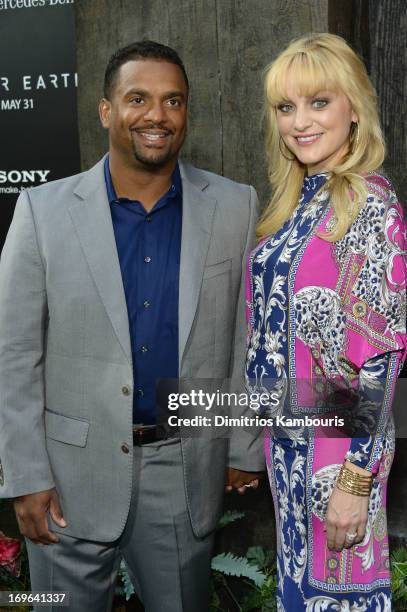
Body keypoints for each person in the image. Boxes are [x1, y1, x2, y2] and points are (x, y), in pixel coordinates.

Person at [0, 41, 264, 612]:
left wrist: (244, 445)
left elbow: (245, 338)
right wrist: (24, 476)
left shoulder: (235, 206)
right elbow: (15, 354)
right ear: (105, 110)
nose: (157, 115)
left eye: (173, 101)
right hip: (67, 479)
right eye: (138, 98)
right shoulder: (42, 211)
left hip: (182, 469)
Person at [245, 33, 406, 610]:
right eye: (286, 107)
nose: (299, 122)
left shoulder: (370, 204)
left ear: (354, 109)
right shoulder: (295, 204)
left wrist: (356, 480)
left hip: (337, 459)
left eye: (319, 102)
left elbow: (382, 357)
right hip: (286, 452)